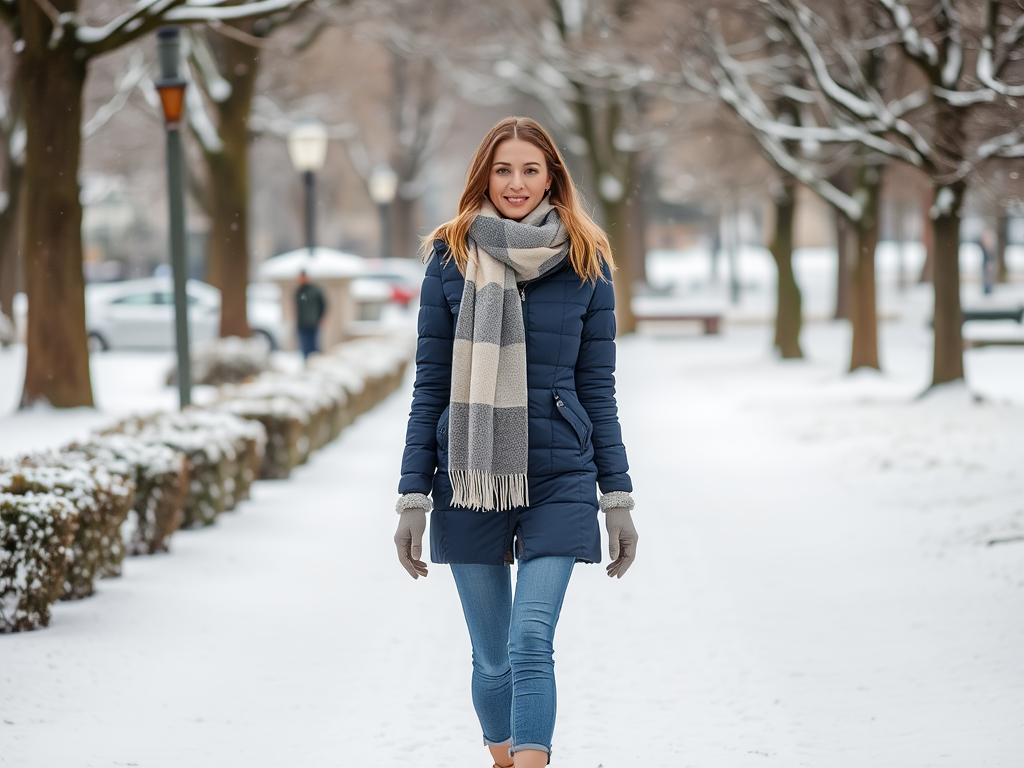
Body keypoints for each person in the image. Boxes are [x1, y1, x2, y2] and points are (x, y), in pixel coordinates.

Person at [394, 116, 639, 768]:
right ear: (485, 175)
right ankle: (502, 758)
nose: (516, 183)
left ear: (552, 175)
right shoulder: (451, 257)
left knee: (532, 638)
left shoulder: (587, 259)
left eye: (531, 169)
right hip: (470, 469)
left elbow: (599, 388)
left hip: (560, 469)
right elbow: (431, 387)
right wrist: (411, 497)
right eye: (503, 169)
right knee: (495, 654)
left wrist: (617, 495)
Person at [294, 269, 327, 359]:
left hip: (313, 323)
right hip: (302, 324)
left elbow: (323, 305)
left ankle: (315, 363)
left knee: (314, 347)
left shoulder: (315, 290)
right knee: (304, 348)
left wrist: (320, 319)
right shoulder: (299, 291)